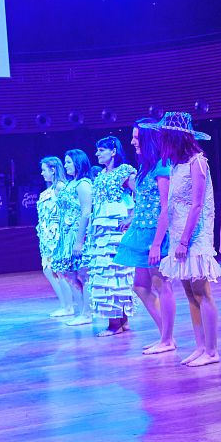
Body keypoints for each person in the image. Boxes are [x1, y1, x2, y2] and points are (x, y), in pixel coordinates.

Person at [151, 112, 221, 366]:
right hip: (178, 235)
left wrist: (184, 241)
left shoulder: (197, 161)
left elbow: (197, 204)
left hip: (195, 236)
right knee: (190, 293)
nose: (160, 141)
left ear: (174, 137)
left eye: (164, 137)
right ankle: (200, 346)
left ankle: (212, 351)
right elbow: (171, 206)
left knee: (202, 291)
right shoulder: (175, 165)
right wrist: (167, 241)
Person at [117, 120, 178, 352]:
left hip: (156, 234)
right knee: (140, 286)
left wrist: (157, 244)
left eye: (137, 137)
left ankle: (167, 339)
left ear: (149, 140)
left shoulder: (162, 166)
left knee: (161, 284)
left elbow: (165, 207)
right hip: (141, 232)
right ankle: (165, 335)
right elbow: (146, 202)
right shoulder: (146, 167)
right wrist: (133, 219)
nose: (133, 141)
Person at [85, 136, 137, 336]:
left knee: (116, 272)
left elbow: (142, 194)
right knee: (108, 272)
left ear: (113, 151)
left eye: (101, 150)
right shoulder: (100, 174)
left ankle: (115, 324)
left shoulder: (124, 171)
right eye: (97, 150)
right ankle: (120, 321)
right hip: (102, 229)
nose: (97, 154)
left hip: (115, 229)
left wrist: (132, 216)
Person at [57, 149, 94, 326]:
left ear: (78, 163)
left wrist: (79, 241)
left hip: (78, 234)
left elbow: (86, 212)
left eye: (69, 162)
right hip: (67, 234)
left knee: (83, 273)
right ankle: (82, 311)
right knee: (70, 274)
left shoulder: (83, 184)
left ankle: (87, 313)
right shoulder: (72, 183)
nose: (65, 166)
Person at [36, 156, 74, 317]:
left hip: (57, 235)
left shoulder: (60, 187)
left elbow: (68, 209)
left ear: (53, 170)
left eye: (44, 170)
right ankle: (65, 304)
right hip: (47, 236)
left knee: (59, 270)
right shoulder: (50, 189)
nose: (42, 173)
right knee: (48, 270)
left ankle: (69, 306)